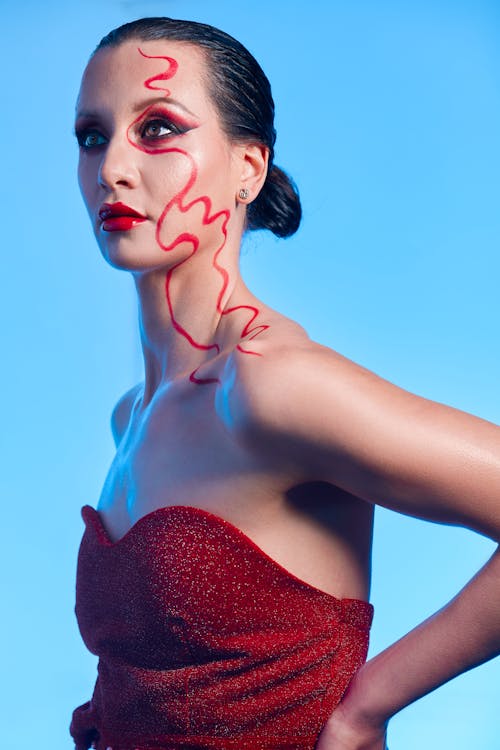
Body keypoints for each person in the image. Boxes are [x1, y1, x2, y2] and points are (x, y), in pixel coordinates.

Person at [70, 16, 500, 750]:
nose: (113, 166)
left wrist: (368, 709)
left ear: (248, 168)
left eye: (159, 129)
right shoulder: (131, 415)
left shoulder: (268, 388)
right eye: (91, 135)